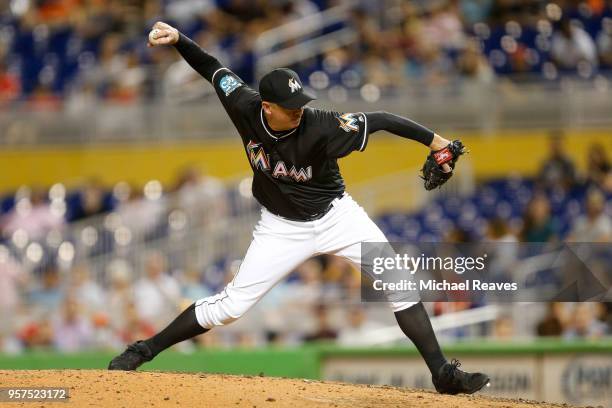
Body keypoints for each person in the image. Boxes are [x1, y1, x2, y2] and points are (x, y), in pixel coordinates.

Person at [108, 21, 490, 395]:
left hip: (338, 216)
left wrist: (439, 143)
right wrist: (179, 40)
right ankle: (143, 350)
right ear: (267, 106)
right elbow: (212, 68)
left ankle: (441, 372)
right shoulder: (244, 104)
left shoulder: (321, 124)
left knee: (399, 282)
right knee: (230, 307)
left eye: (300, 103)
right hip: (281, 227)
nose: (299, 111)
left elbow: (383, 120)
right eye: (289, 107)